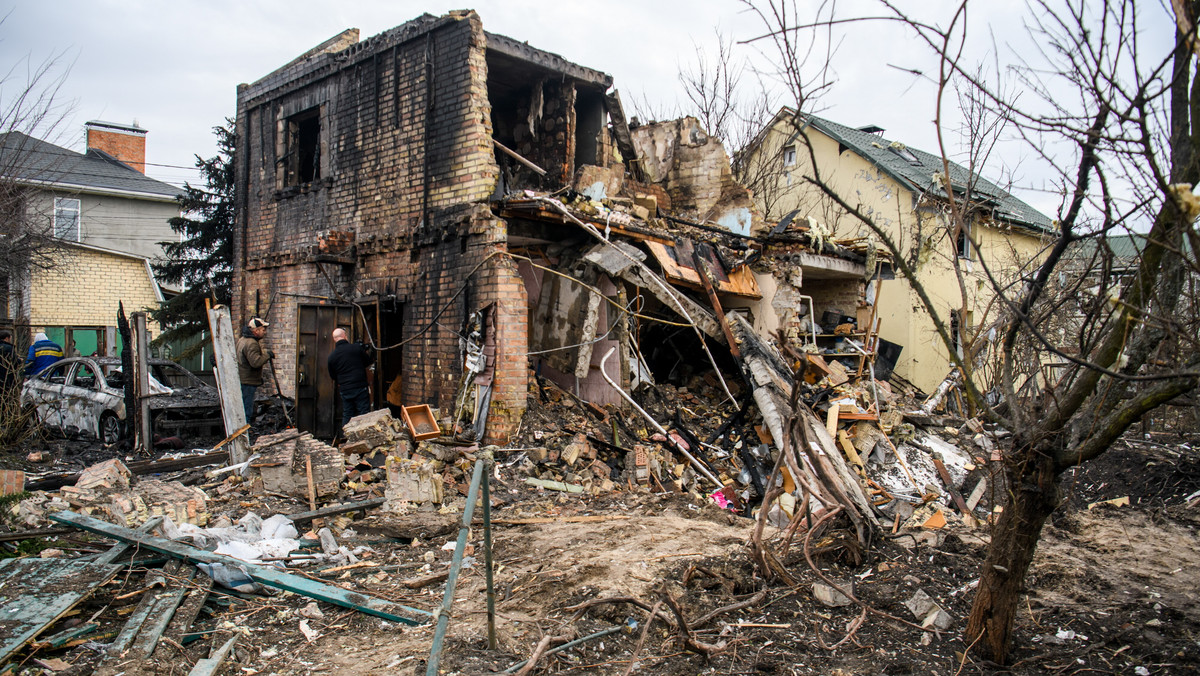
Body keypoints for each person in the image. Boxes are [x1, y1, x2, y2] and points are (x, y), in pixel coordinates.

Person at [327, 328, 374, 427]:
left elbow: (333, 375)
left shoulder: (332, 357)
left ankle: (347, 438)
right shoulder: (356, 349)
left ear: (334, 339)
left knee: (347, 413)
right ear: (345, 336)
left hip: (345, 389)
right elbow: (368, 361)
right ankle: (365, 436)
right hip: (360, 386)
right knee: (363, 413)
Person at [236, 318, 273, 424]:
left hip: (243, 379)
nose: (264, 332)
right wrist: (267, 355)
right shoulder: (252, 343)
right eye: (263, 330)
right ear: (256, 330)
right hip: (247, 381)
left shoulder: (242, 340)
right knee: (247, 408)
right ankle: (245, 432)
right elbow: (255, 363)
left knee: (244, 406)